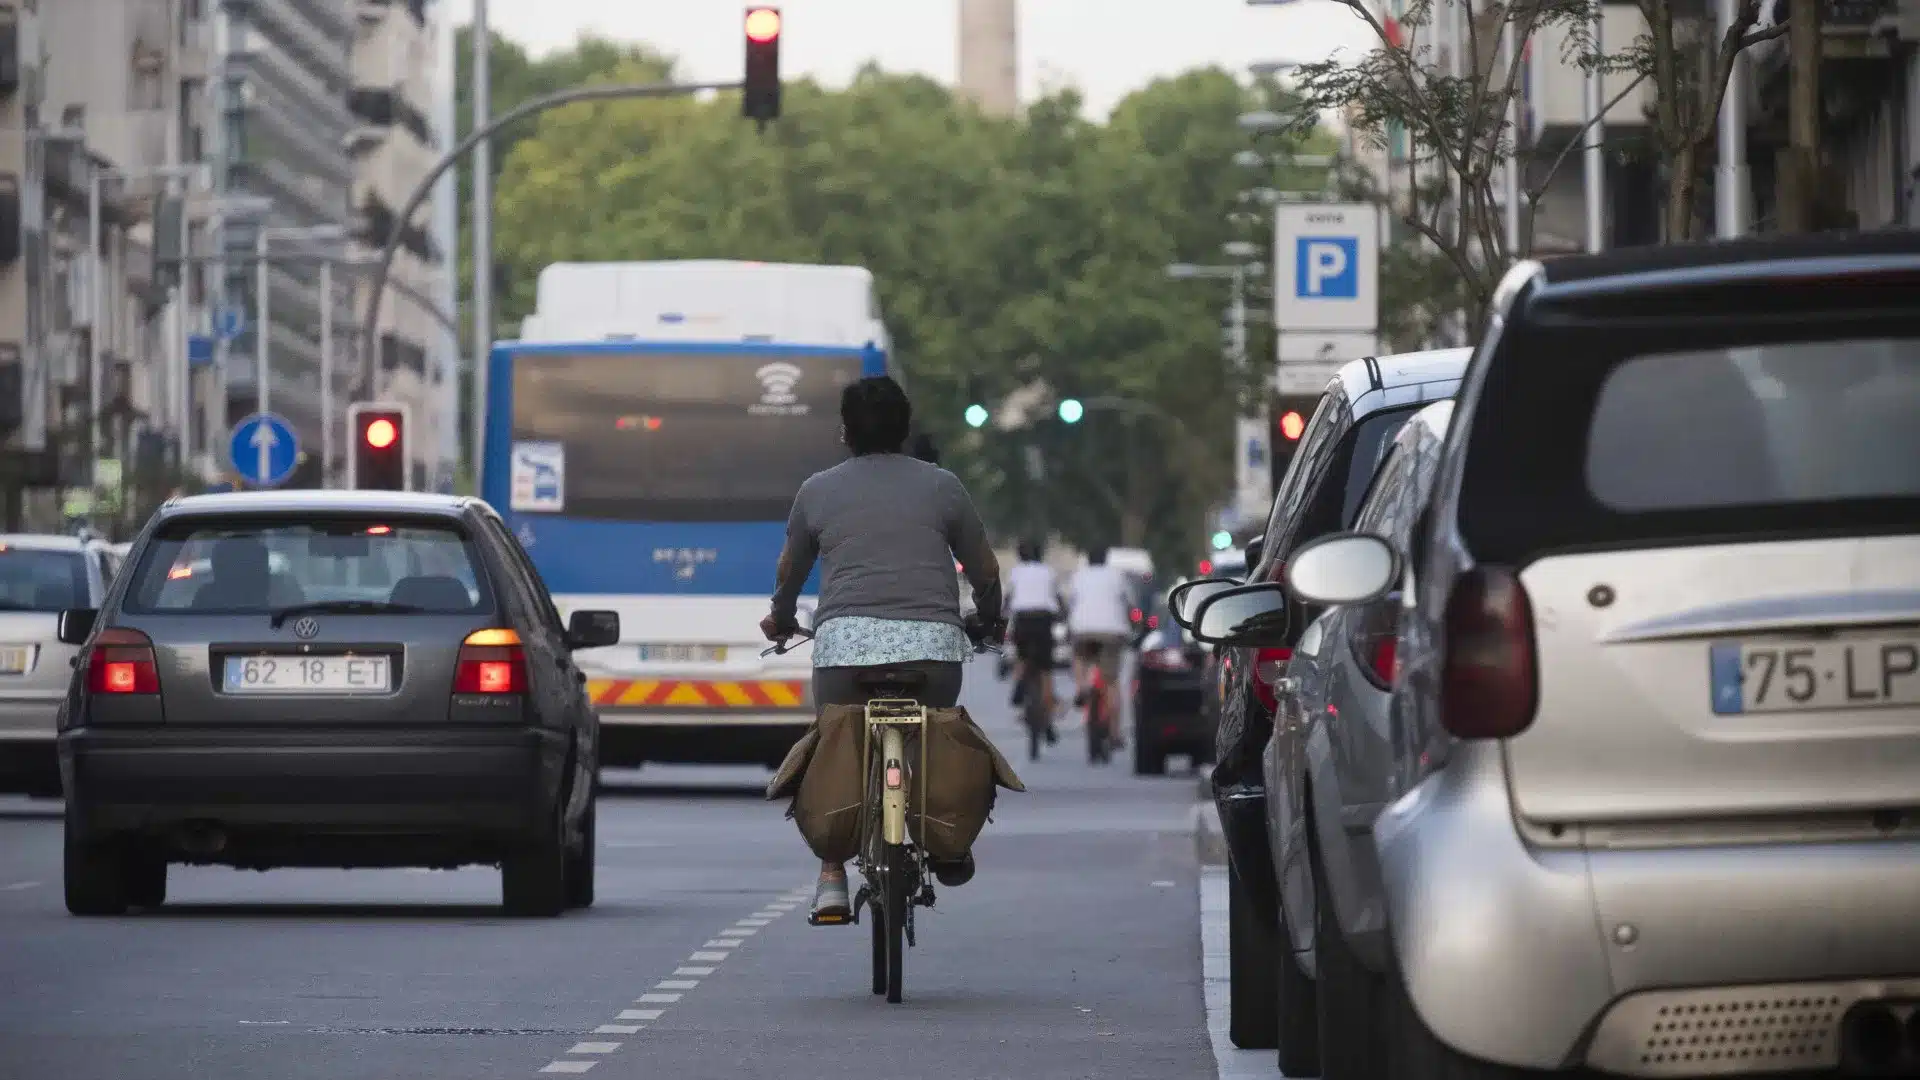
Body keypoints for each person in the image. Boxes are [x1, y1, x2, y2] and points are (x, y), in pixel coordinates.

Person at [761, 375, 1004, 920]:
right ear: (905, 428)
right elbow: (984, 570)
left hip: (844, 651)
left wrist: (779, 618)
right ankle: (949, 839)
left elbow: (790, 572)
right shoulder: (944, 487)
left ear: (845, 432)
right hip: (933, 652)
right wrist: (989, 619)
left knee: (834, 742)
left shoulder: (816, 491)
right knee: (937, 734)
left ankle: (829, 877)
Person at [1066, 546, 1133, 748]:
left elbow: (1071, 602)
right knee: (1111, 682)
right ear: (1106, 559)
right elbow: (1130, 603)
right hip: (1113, 632)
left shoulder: (1079, 576)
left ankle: (1081, 687)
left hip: (1083, 629)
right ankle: (1114, 733)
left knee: (1079, 657)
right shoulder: (1117, 576)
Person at [1004, 539, 1061, 740]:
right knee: (1046, 671)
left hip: (1023, 621)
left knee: (1021, 658)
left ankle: (1019, 685)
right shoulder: (1048, 572)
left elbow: (1008, 600)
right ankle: (1049, 718)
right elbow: (1058, 599)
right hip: (1044, 620)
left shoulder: (1016, 572)